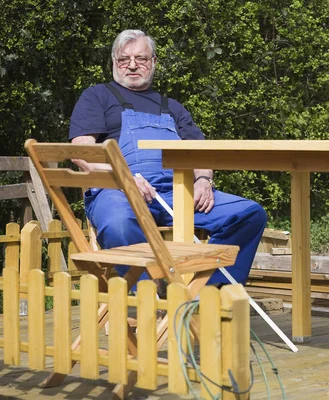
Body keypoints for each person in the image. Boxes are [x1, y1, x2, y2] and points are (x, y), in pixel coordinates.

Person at [69, 29, 267, 285]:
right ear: (113, 63)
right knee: (118, 224)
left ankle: (204, 291)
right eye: (123, 59)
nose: (131, 65)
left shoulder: (172, 107)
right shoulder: (97, 96)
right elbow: (82, 151)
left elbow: (200, 152)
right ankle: (148, 298)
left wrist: (204, 181)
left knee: (249, 214)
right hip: (119, 191)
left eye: (140, 58)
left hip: (176, 194)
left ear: (153, 62)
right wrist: (124, 178)